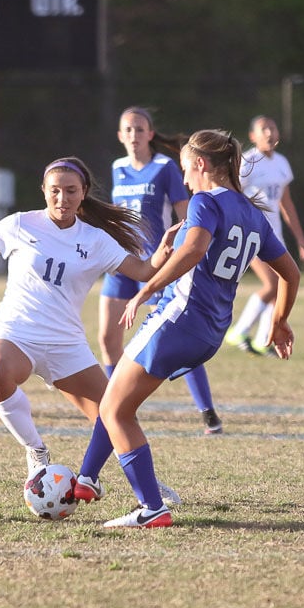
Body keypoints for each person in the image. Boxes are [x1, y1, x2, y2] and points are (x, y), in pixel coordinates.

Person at [0, 157, 180, 482]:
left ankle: (145, 482)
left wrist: (163, 254)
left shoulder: (95, 240)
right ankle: (36, 451)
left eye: (70, 191)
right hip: (17, 333)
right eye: (55, 191)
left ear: (83, 193)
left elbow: (143, 271)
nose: (61, 199)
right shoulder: (19, 225)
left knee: (113, 416)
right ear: (43, 190)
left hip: (66, 344)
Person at [73, 129, 301, 528]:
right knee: (118, 405)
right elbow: (291, 274)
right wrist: (279, 321)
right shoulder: (252, 212)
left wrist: (148, 288)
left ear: (200, 165)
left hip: (177, 319)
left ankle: (150, 507)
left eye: (185, 170)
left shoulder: (204, 201)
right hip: (210, 332)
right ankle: (88, 481)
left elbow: (194, 249)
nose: (183, 180)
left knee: (113, 409)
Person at [100, 106, 224, 436]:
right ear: (119, 135)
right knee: (107, 337)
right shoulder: (118, 168)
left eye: (139, 129)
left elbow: (187, 217)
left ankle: (207, 410)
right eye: (127, 129)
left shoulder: (165, 168)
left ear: (150, 134)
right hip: (122, 263)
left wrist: (176, 255)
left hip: (157, 264)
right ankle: (112, 407)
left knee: (175, 337)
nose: (133, 135)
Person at [224, 115, 304, 356]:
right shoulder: (248, 162)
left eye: (272, 128)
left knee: (283, 283)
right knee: (273, 284)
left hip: (274, 236)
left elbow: (287, 204)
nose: (270, 133)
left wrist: (301, 239)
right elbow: (233, 195)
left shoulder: (282, 162)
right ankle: (239, 331)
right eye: (264, 129)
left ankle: (266, 338)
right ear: (253, 136)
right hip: (251, 233)